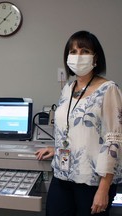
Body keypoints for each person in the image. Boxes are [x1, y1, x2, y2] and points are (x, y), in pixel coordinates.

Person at [35, 30, 122, 215]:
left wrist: (104, 189)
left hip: (92, 181)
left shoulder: (108, 89)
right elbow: (71, 125)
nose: (78, 56)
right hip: (62, 174)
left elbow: (114, 140)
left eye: (84, 51)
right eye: (73, 52)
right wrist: (57, 148)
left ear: (95, 57)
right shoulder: (68, 89)